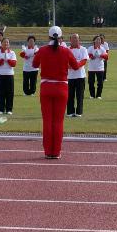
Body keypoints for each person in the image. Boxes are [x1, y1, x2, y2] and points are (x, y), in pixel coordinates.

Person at [32, 26, 80, 159]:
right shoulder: (66, 51)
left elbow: (34, 65)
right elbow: (75, 66)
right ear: (61, 38)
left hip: (46, 87)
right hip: (62, 88)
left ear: (48, 37)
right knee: (58, 121)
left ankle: (48, 151)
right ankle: (56, 151)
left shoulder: (42, 50)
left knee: (47, 121)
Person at [66, 34, 89, 117]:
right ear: (70, 40)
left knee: (80, 95)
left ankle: (79, 112)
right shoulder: (67, 49)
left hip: (80, 76)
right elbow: (65, 61)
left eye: (76, 38)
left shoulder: (83, 49)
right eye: (73, 38)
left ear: (79, 40)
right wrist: (71, 65)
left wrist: (76, 66)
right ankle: (70, 112)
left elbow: (84, 61)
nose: (75, 40)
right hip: (69, 76)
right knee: (69, 95)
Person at [0, 37, 18, 114]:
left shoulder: (12, 53)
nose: (6, 43)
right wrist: (3, 59)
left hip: (9, 74)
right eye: (4, 42)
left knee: (10, 92)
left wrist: (8, 59)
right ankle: (1, 109)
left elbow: (13, 64)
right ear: (1, 43)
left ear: (9, 44)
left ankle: (9, 109)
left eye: (7, 42)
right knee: (0, 92)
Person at [87, 35, 108, 99]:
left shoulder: (102, 48)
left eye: (99, 40)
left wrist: (101, 55)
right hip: (91, 68)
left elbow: (107, 57)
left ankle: (99, 95)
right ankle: (92, 95)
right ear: (94, 41)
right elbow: (87, 55)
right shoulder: (90, 48)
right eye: (97, 39)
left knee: (100, 82)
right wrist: (91, 56)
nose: (98, 41)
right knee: (91, 82)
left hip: (100, 68)